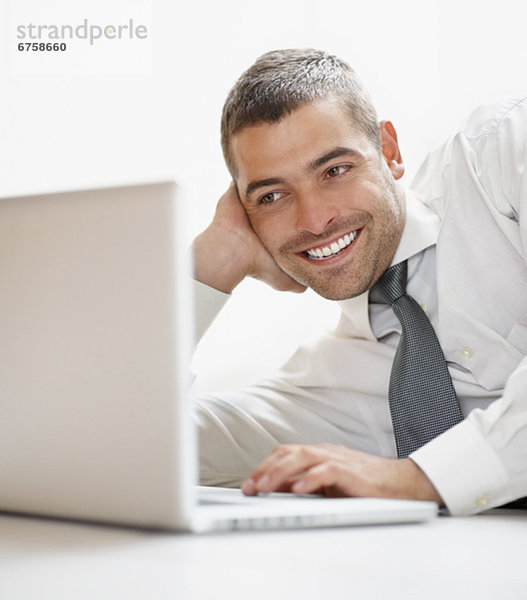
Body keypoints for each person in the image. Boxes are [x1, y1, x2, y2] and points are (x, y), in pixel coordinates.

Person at [192, 48, 527, 516]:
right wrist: (210, 264)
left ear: (389, 151)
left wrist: (415, 479)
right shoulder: (336, 382)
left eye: (335, 170)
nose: (313, 220)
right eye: (272, 195)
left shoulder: (502, 153)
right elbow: (122, 439)